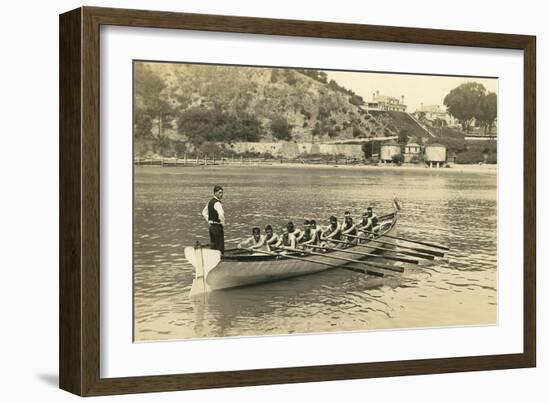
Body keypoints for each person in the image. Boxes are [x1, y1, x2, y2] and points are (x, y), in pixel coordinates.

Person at [201, 185, 225, 254]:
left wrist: (209, 221)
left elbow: (204, 212)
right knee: (220, 248)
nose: (221, 194)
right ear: (215, 193)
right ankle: (221, 260)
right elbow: (221, 214)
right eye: (219, 193)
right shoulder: (217, 203)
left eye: (222, 193)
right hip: (217, 227)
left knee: (213, 246)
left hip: (211, 227)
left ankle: (213, 261)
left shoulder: (210, 201)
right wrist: (222, 224)